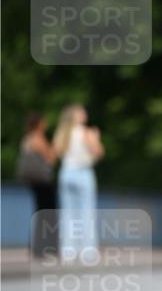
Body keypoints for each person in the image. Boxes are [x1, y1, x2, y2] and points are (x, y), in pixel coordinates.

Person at [53, 104, 105, 261]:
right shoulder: (86, 133)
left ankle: (68, 251)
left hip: (66, 173)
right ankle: (88, 251)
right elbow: (99, 153)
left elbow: (55, 153)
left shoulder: (62, 134)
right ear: (77, 116)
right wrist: (97, 138)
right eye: (82, 112)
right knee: (86, 212)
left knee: (68, 213)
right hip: (83, 173)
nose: (85, 114)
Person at [16, 112, 58, 256]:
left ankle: (36, 246)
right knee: (48, 212)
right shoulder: (38, 139)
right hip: (43, 181)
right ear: (39, 124)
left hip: (33, 181)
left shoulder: (26, 139)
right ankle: (47, 247)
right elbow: (51, 158)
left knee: (39, 212)